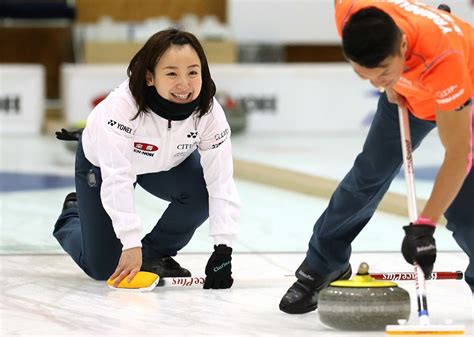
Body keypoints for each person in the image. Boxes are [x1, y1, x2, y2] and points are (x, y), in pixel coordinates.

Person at [280, 0, 473, 314]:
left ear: (404, 45)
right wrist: (392, 80)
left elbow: (458, 154)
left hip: (463, 95)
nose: (374, 82)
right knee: (367, 176)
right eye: (364, 75)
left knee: (468, 209)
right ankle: (323, 265)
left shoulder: (442, 58)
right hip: (411, 97)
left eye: (382, 71)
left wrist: (424, 227)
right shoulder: (352, 13)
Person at [53, 28, 241, 289]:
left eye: (193, 72)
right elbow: (117, 177)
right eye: (172, 73)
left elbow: (221, 181)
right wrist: (130, 243)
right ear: (150, 77)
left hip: (166, 165)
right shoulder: (122, 107)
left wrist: (223, 250)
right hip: (103, 164)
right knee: (103, 268)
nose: (185, 84)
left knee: (204, 191)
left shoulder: (209, 112)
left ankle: (154, 253)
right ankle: (72, 214)